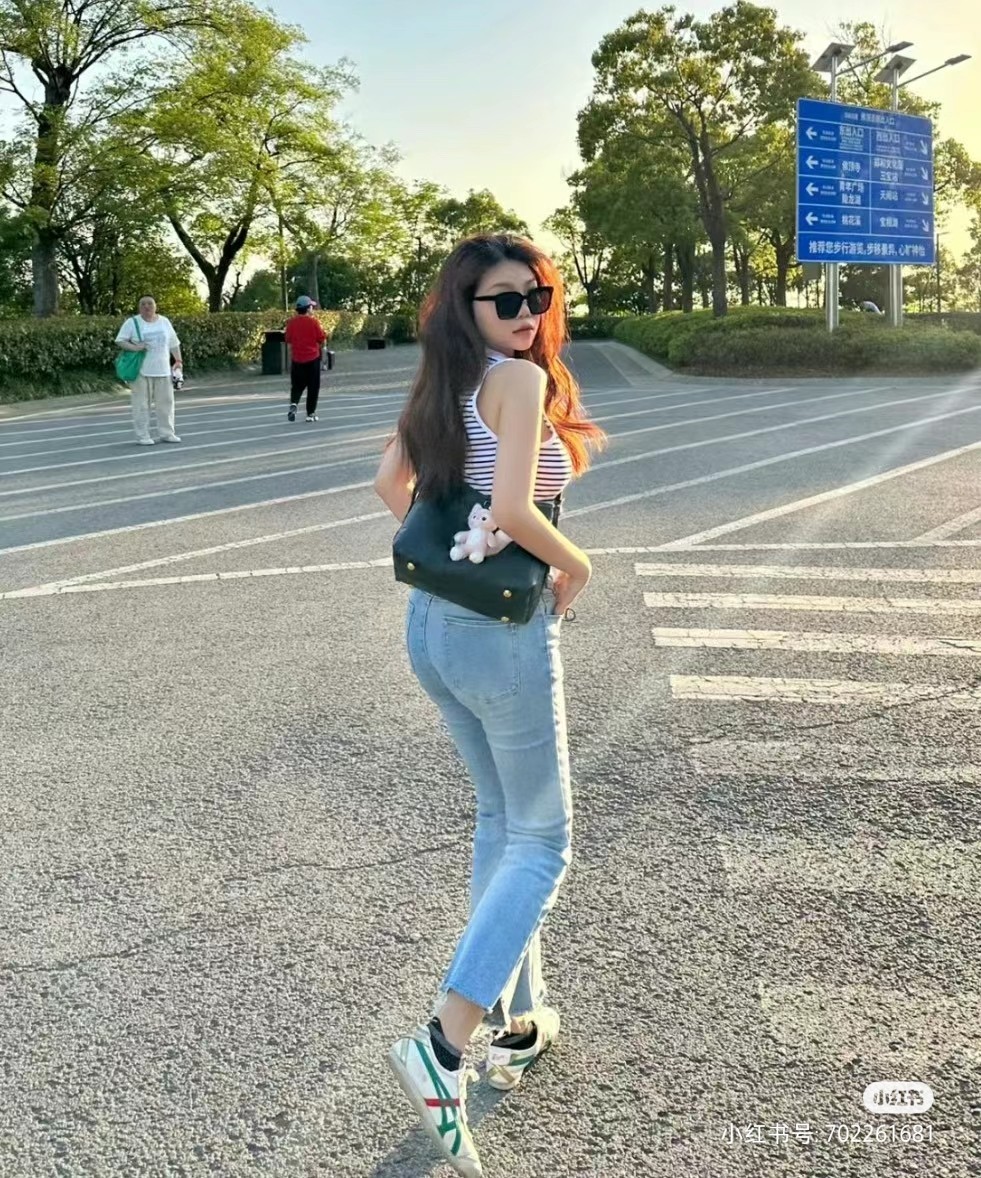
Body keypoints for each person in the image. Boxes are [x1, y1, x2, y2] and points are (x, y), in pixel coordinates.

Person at [373, 233, 605, 1177]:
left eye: (536, 295)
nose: (525, 314)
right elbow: (512, 509)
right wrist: (574, 564)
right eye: (504, 300)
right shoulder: (513, 380)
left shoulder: (443, 381)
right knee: (544, 841)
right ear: (466, 308)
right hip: (498, 634)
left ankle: (517, 1019)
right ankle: (444, 1042)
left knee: (502, 821)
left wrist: (453, 555)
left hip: (431, 626)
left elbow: (389, 486)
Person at [115, 297, 183, 445]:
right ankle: (143, 435)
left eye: (150, 303)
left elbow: (174, 342)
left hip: (163, 369)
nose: (147, 306)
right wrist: (135, 348)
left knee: (166, 403)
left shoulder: (164, 321)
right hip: (141, 371)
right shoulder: (132, 322)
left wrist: (178, 361)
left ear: (155, 306)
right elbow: (120, 340)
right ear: (139, 307)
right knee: (141, 405)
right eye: (143, 304)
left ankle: (167, 433)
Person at [284, 295, 327, 422]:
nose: (312, 308)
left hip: (297, 359)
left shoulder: (291, 323)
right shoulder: (313, 322)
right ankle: (310, 413)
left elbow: (288, 339)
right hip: (312, 358)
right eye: (311, 306)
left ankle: (294, 404)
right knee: (313, 386)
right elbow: (321, 338)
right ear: (308, 308)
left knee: (297, 385)